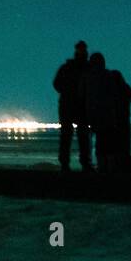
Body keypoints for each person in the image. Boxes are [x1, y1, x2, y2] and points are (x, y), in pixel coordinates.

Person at [82, 51, 131, 173]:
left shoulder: (88, 78)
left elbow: (83, 97)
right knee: (110, 144)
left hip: (96, 116)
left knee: (101, 143)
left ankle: (103, 167)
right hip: (109, 116)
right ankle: (111, 168)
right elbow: (119, 94)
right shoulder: (109, 76)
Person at [53, 40, 93, 172]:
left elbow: (57, 84)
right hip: (73, 105)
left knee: (73, 136)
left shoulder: (70, 67)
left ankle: (74, 163)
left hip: (73, 105)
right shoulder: (81, 68)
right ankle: (75, 163)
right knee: (76, 136)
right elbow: (57, 84)